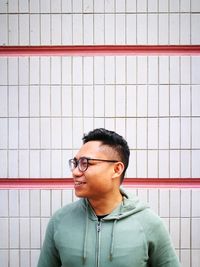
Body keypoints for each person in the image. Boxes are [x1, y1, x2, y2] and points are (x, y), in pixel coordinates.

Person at [37, 128, 180, 267]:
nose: (75, 172)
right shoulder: (60, 221)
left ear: (116, 169)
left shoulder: (149, 223)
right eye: (75, 163)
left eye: (85, 163)